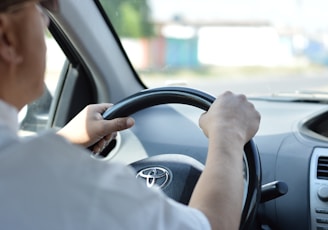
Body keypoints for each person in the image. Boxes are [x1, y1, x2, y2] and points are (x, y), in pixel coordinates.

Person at [0, 0, 261, 230]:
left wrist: (63, 141)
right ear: (6, 37)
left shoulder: (32, 173)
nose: (46, 19)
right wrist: (229, 133)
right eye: (40, 6)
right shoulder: (67, 180)